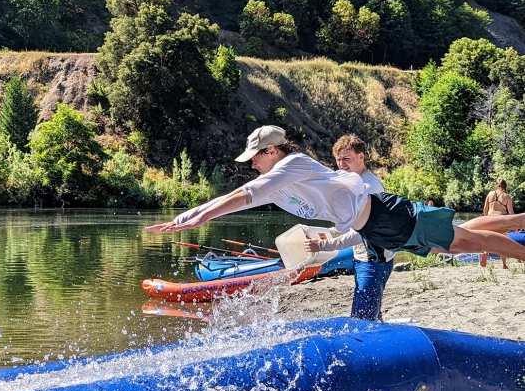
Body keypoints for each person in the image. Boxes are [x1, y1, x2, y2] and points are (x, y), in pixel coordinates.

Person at [150, 125, 525, 265]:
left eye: (255, 157)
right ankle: (517, 222)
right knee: (459, 238)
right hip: (375, 229)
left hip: (384, 215)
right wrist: (189, 214)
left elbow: (248, 193)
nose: (252, 164)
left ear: (273, 151)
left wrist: (198, 218)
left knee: (463, 239)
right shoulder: (280, 187)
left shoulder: (293, 164)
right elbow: (242, 194)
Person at [304, 135, 394, 321]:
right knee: (371, 312)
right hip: (365, 258)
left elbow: (360, 234)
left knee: (361, 319)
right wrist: (327, 233)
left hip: (373, 261)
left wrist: (323, 246)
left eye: (347, 159)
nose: (341, 164)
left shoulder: (370, 187)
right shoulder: (353, 183)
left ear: (361, 157)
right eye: (338, 159)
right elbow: (349, 222)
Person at [481, 179, 516, 269]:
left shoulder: (490, 194)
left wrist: (485, 220)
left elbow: (485, 209)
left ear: (496, 185)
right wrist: (514, 224)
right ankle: (503, 264)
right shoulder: (506, 196)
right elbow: (511, 212)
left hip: (489, 218)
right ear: (505, 186)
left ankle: (485, 253)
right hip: (501, 218)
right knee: (502, 242)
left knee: (488, 239)